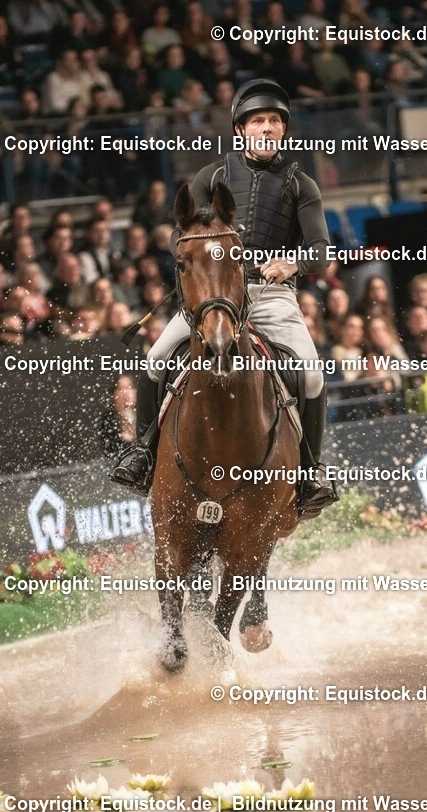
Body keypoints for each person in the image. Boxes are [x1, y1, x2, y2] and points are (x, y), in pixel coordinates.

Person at [111, 79, 338, 516]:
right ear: (240, 129)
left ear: (284, 130)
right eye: (259, 121)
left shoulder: (301, 183)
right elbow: (182, 234)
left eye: (275, 121)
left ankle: (311, 473)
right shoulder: (210, 176)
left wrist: (291, 263)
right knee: (156, 359)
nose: (268, 128)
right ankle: (140, 454)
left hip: (270, 296)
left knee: (310, 374)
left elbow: (321, 251)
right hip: (213, 295)